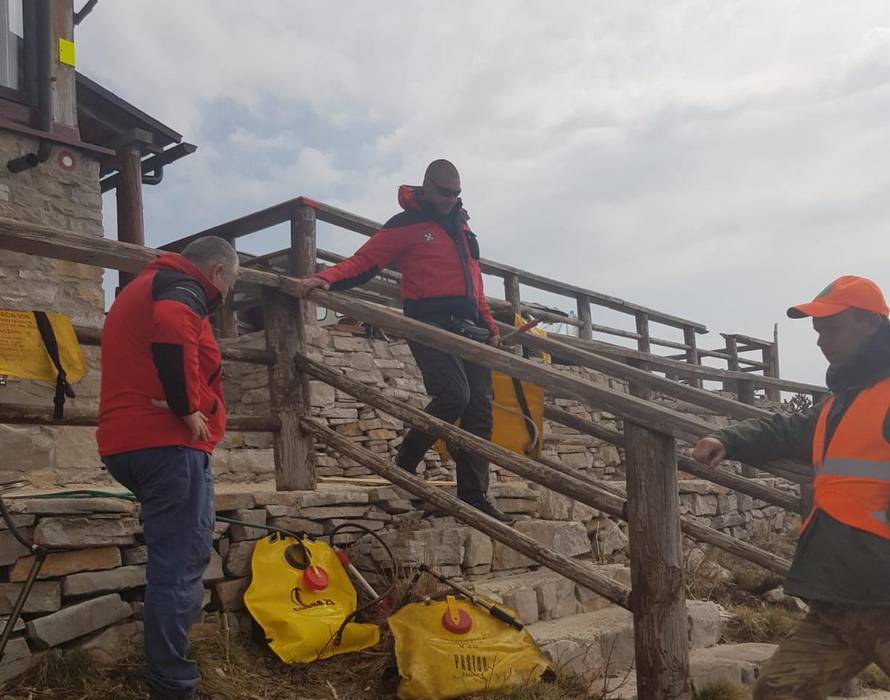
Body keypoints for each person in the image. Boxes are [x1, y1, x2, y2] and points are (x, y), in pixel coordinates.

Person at [692, 275, 890, 699]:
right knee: (777, 692)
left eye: (831, 329)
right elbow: (788, 427)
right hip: (840, 608)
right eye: (817, 331)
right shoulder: (842, 401)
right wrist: (727, 439)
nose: (820, 341)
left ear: (871, 324)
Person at [295, 160, 512, 523]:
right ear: (426, 186)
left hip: (470, 327)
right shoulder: (406, 225)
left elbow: (476, 283)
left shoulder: (462, 226)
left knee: (480, 409)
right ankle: (406, 459)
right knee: (454, 395)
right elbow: (365, 260)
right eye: (445, 192)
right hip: (429, 322)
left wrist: (489, 324)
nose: (451, 199)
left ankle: (474, 496)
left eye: (457, 193)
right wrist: (326, 279)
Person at [97, 236, 239, 700]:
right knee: (178, 569)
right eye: (228, 287)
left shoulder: (148, 283)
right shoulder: (181, 286)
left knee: (173, 563)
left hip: (129, 442)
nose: (223, 298)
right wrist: (186, 406)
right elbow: (174, 329)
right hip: (165, 444)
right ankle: (173, 688)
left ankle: (168, 676)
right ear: (216, 272)